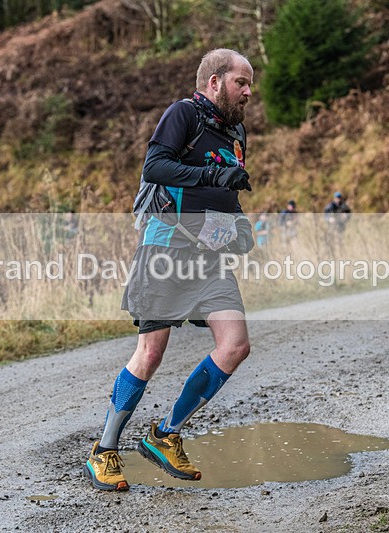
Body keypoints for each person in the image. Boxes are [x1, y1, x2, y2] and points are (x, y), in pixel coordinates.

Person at [83, 49, 255, 491]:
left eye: (250, 83)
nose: (249, 91)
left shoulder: (235, 130)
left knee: (235, 345)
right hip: (166, 248)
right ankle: (104, 451)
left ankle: (165, 434)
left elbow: (227, 189)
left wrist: (239, 225)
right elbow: (155, 166)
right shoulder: (183, 113)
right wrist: (212, 178)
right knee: (151, 352)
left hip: (209, 256)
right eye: (241, 82)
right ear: (214, 81)